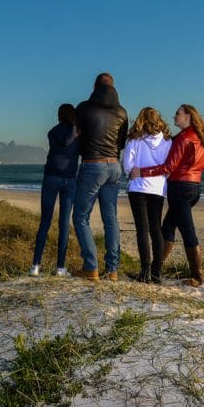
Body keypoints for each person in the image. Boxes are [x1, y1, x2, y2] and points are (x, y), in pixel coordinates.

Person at [131, 104, 204, 286]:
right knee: (167, 228)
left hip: (180, 189)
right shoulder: (200, 136)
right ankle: (155, 270)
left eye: (178, 114)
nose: (174, 117)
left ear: (188, 116)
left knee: (188, 233)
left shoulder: (183, 138)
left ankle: (197, 277)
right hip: (195, 187)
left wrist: (142, 172)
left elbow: (168, 167)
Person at [71, 73, 129, 281]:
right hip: (114, 166)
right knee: (110, 219)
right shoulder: (122, 112)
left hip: (93, 166)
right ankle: (112, 270)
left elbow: (74, 135)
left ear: (95, 86)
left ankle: (91, 267)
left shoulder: (84, 108)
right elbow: (121, 143)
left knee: (80, 217)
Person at [121, 107, 172, 284]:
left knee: (142, 229)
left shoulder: (134, 139)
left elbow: (127, 165)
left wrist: (132, 172)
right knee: (156, 228)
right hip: (158, 188)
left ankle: (145, 271)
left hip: (138, 187)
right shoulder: (167, 141)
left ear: (141, 119)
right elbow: (168, 167)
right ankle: (157, 272)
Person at [30, 103, 80, 277]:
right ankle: (60, 268)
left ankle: (35, 265)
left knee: (45, 221)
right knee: (64, 223)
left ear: (59, 115)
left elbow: (62, 142)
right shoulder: (78, 133)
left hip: (51, 177)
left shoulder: (52, 132)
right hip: (70, 179)